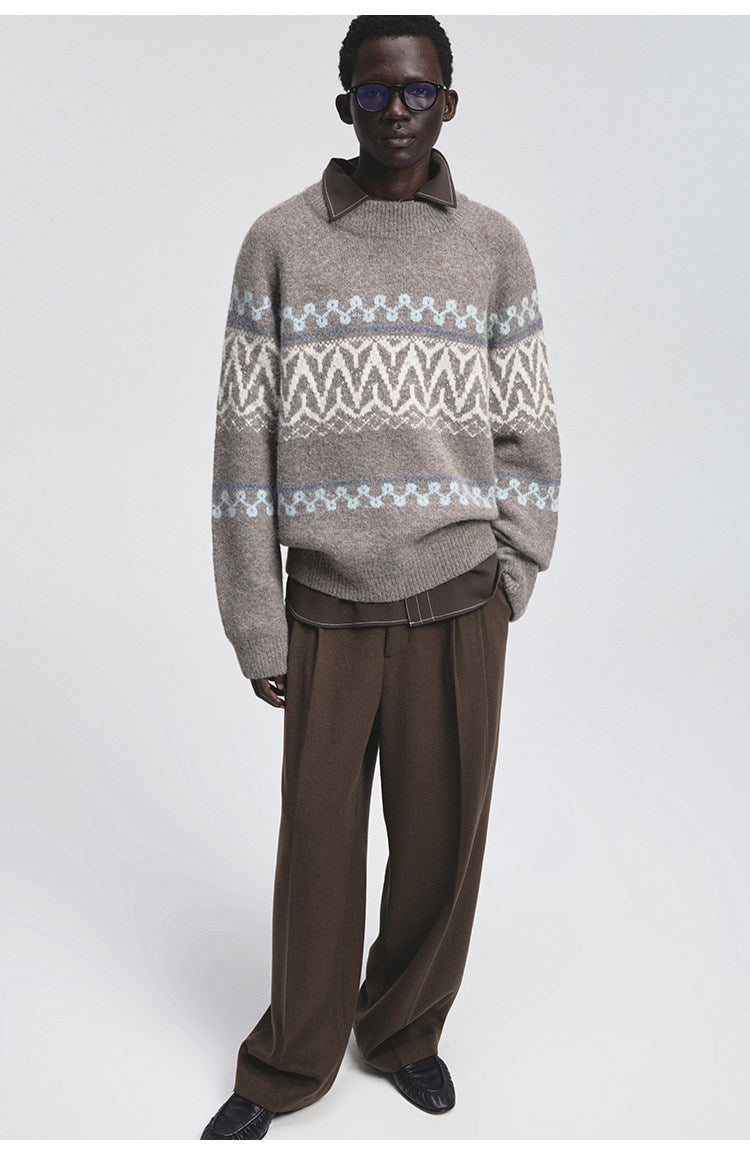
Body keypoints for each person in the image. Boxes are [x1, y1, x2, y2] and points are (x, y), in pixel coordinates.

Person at [202, 14, 562, 1141]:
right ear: (343, 103)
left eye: (415, 91)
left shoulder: (493, 247)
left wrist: (513, 572)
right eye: (373, 91)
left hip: (459, 599)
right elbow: (241, 449)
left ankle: (402, 1030)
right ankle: (289, 1061)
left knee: (441, 846)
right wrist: (258, 623)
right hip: (327, 608)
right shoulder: (279, 242)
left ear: (448, 102)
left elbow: (530, 430)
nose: (395, 110)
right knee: (316, 852)